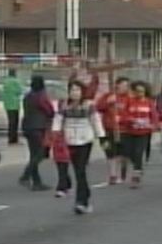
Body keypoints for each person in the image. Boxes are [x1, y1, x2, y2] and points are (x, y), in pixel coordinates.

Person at [52, 81, 106, 214]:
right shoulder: (64, 105)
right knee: (77, 171)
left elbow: (96, 121)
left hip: (85, 140)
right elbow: (57, 120)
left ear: (82, 92)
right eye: (72, 90)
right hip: (70, 140)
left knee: (80, 170)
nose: (74, 93)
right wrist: (56, 133)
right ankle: (85, 195)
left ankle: (81, 201)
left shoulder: (88, 105)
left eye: (77, 90)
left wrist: (102, 138)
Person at [20, 76, 54, 191]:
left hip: (27, 126)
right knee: (40, 154)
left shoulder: (27, 96)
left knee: (33, 154)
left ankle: (36, 182)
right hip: (38, 127)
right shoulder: (41, 97)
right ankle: (26, 175)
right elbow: (49, 110)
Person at [122, 81, 158, 189]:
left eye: (142, 91)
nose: (139, 93)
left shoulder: (149, 102)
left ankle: (136, 174)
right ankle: (137, 167)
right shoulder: (129, 101)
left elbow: (154, 116)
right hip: (130, 132)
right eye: (137, 91)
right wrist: (131, 120)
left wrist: (154, 125)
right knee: (129, 153)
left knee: (138, 152)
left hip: (143, 133)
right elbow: (124, 115)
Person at [96, 77, 131, 185]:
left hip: (124, 130)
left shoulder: (129, 98)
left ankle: (123, 173)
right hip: (108, 129)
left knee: (123, 153)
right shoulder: (108, 96)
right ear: (117, 85)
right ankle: (113, 175)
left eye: (127, 86)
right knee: (109, 151)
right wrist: (108, 102)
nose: (125, 88)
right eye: (123, 85)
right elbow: (98, 107)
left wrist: (124, 119)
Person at [1, 69, 23, 144]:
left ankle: (10, 137)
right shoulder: (16, 81)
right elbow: (20, 91)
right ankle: (14, 138)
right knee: (15, 122)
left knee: (10, 122)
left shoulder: (5, 82)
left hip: (7, 104)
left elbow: (3, 92)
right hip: (15, 104)